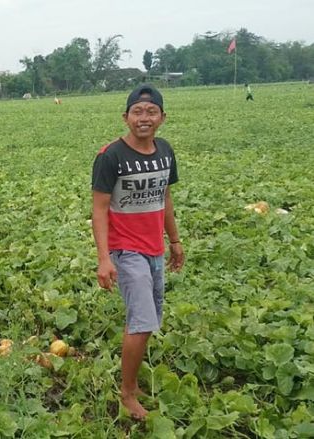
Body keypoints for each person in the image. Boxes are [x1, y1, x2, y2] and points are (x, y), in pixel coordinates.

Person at [91, 84, 185, 420]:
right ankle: (127, 393)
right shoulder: (110, 156)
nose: (144, 118)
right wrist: (104, 258)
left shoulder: (165, 151)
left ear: (162, 117)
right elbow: (99, 209)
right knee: (143, 321)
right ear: (126, 117)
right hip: (125, 249)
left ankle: (132, 382)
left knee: (146, 318)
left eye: (151, 112)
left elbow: (166, 198)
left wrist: (174, 240)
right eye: (137, 112)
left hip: (154, 249)